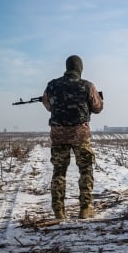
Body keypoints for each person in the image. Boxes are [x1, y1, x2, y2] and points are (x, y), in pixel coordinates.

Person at [42, 55, 103, 219]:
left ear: (67, 67)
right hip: (80, 135)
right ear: (80, 68)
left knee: (59, 172)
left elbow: (48, 105)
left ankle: (59, 211)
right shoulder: (88, 86)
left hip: (58, 134)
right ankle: (85, 208)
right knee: (86, 170)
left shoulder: (52, 85)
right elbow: (97, 108)